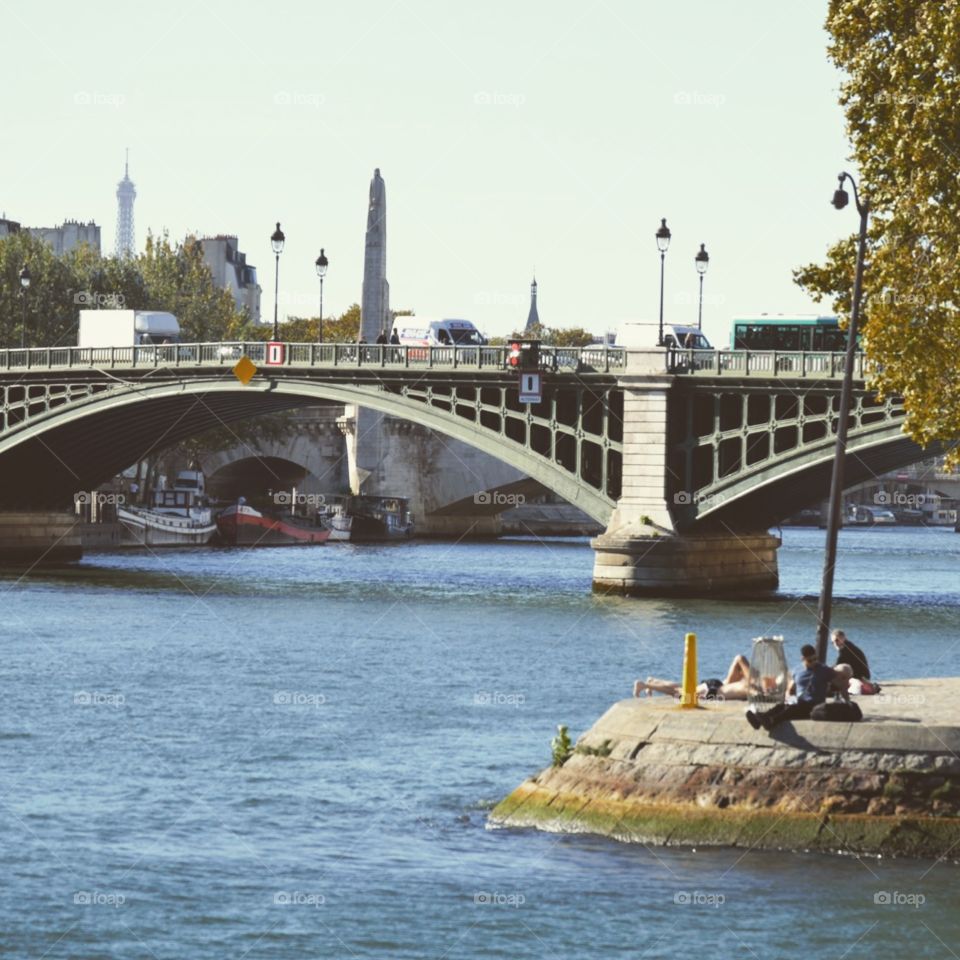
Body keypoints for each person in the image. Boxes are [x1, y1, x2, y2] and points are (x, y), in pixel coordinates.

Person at [746, 644, 843, 731]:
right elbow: (790, 689)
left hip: (814, 705)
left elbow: (840, 684)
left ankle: (772, 721)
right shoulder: (797, 671)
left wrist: (846, 700)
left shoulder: (824, 670)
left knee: (792, 708)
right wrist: (788, 697)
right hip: (800, 701)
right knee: (781, 706)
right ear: (803, 659)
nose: (814, 662)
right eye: (810, 660)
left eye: (815, 659)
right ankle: (760, 719)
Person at [633, 653, 753, 702]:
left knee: (683, 688)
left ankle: (653, 682)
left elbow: (739, 659)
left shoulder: (747, 681)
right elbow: (740, 658)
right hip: (713, 691)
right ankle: (644, 685)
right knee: (680, 694)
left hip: (716, 685)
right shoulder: (752, 684)